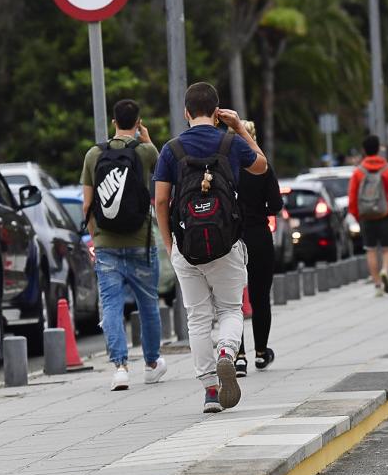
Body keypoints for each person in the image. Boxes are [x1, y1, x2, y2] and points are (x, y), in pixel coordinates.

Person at [154, 82, 267, 413]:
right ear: (217, 112)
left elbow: (161, 200)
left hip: (186, 246)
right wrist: (239, 129)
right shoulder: (230, 142)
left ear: (186, 112)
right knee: (231, 309)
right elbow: (261, 166)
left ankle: (210, 392)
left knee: (197, 317)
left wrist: (169, 243)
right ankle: (227, 353)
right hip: (227, 243)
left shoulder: (171, 150)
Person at [81, 99, 166, 391]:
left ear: (113, 122)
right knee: (148, 305)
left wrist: (96, 237)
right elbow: (160, 161)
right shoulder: (144, 151)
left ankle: (120, 367)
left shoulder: (94, 154)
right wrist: (144, 135)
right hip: (141, 242)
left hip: (107, 245)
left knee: (111, 306)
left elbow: (87, 206)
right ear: (138, 121)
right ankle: (152, 363)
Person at [234, 120, 283, 376]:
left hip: (231, 237)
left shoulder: (225, 165)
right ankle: (262, 352)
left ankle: (239, 355)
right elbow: (276, 204)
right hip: (258, 235)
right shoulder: (263, 168)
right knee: (260, 296)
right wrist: (258, 212)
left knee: (232, 300)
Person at [348, 134, 388, 297]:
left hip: (366, 217)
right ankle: (385, 270)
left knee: (370, 251)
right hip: (385, 215)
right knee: (387, 249)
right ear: (379, 149)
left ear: (364, 151)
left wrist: (358, 216)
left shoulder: (358, 173)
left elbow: (352, 197)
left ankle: (378, 285)